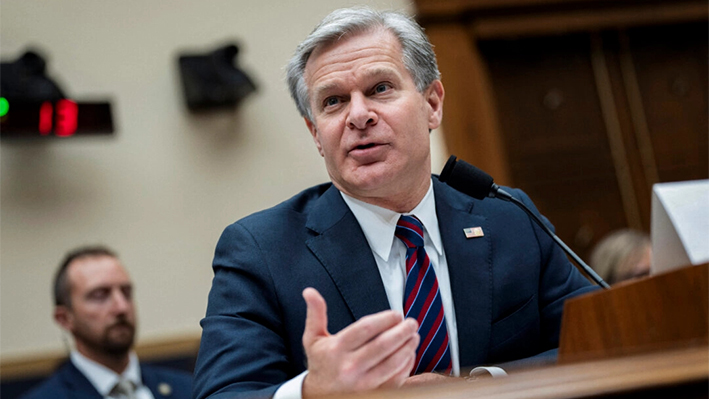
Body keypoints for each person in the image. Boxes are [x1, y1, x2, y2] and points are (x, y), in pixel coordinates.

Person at [192, 6, 597, 399]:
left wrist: (480, 384)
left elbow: (599, 342)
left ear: (432, 104)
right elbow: (223, 393)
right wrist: (314, 392)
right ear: (316, 133)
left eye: (379, 89)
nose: (358, 115)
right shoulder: (261, 250)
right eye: (333, 101)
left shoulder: (510, 218)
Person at [20, 246, 192, 399]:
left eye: (126, 292)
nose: (122, 307)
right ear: (65, 318)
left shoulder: (190, 389)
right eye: (100, 295)